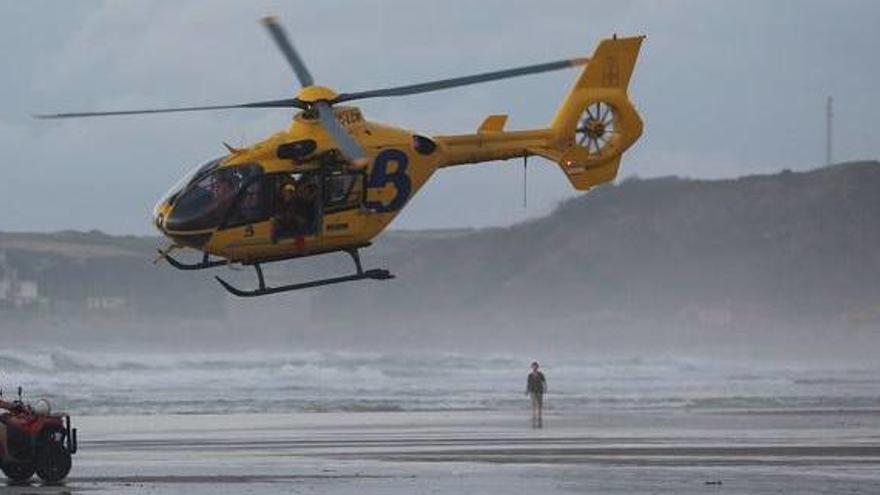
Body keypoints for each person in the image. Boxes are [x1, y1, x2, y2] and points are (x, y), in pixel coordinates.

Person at [526, 360, 547, 428]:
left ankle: (539, 416)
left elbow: (544, 382)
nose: (534, 367)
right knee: (533, 404)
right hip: (532, 391)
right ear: (532, 367)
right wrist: (527, 390)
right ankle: (534, 416)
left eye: (535, 366)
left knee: (540, 404)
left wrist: (545, 389)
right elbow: (528, 384)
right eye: (533, 366)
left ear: (537, 367)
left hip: (539, 390)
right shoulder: (530, 375)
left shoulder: (540, 374)